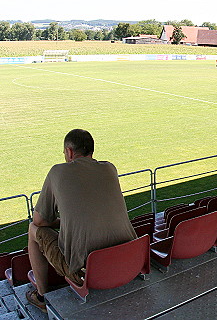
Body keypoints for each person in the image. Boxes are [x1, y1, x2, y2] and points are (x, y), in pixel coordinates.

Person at [26, 129, 137, 313]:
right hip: (130, 258)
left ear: (69, 152)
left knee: (32, 229)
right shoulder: (110, 167)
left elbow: (40, 220)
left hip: (87, 271)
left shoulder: (57, 172)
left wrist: (61, 222)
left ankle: (42, 297)